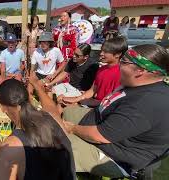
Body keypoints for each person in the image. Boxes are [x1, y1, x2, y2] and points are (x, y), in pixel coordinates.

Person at [62, 44, 169, 178]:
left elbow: (99, 136)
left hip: (113, 155)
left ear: (140, 70)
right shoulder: (135, 83)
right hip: (98, 121)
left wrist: (73, 129)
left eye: (124, 62)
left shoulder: (145, 103)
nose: (119, 65)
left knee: (53, 146)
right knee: (66, 112)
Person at [0, 77, 76, 180]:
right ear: (29, 98)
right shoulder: (51, 118)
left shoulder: (11, 147)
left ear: (2, 108)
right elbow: (51, 107)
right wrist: (35, 84)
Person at [59, 37, 127, 107]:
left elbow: (111, 102)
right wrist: (77, 99)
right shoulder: (102, 69)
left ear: (117, 54)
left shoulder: (121, 73)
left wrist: (78, 101)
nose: (101, 54)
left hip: (103, 108)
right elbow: (92, 90)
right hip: (95, 103)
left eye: (105, 52)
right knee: (61, 101)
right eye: (102, 51)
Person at [27, 32, 65, 99]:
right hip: (38, 73)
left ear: (50, 42)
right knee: (30, 83)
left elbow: (63, 63)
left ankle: (45, 103)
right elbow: (32, 68)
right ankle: (30, 100)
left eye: (45, 42)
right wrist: (31, 76)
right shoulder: (36, 52)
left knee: (39, 84)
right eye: (41, 42)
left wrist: (55, 74)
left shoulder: (56, 50)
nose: (43, 44)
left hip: (49, 75)